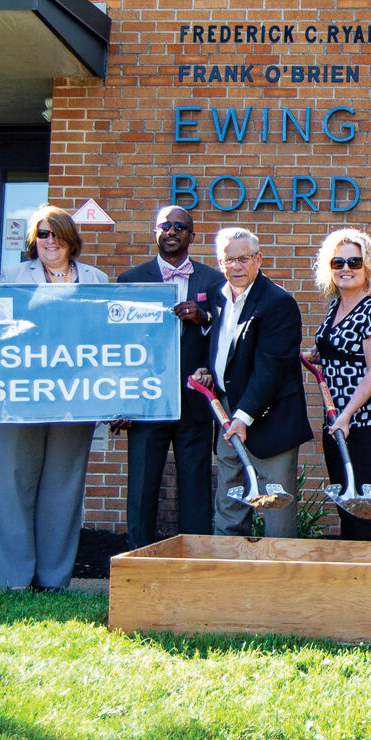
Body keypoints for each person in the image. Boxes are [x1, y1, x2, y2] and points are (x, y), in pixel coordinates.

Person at [0, 206, 109, 590]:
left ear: (71, 239)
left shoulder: (97, 278)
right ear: (32, 240)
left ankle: (54, 579)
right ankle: (12, 580)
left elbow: (107, 339)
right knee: (12, 483)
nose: (49, 241)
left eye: (56, 233)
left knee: (63, 487)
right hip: (18, 398)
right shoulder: (9, 276)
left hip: (76, 396)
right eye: (42, 234)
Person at [193, 227, 313, 539]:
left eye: (243, 258)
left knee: (276, 507)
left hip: (270, 416)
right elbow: (227, 350)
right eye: (228, 260)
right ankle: (229, 575)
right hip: (227, 409)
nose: (235, 266)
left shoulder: (277, 303)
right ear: (220, 263)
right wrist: (210, 371)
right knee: (230, 499)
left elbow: (271, 368)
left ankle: (281, 580)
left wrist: (243, 417)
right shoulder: (219, 297)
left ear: (258, 259)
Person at [114, 206, 222, 549]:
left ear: (192, 236)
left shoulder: (214, 280)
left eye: (180, 227)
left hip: (195, 399)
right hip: (146, 400)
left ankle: (195, 559)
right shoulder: (131, 280)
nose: (172, 231)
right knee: (143, 484)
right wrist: (123, 399)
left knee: (195, 483)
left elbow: (227, 335)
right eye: (165, 226)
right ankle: (140, 558)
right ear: (155, 232)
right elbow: (119, 345)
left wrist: (204, 318)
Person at [311, 228, 371, 541]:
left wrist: (347, 414)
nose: (345, 268)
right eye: (338, 262)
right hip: (338, 420)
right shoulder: (336, 306)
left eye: (354, 261)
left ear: (369, 267)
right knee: (346, 503)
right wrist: (315, 353)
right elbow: (342, 350)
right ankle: (354, 579)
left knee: (364, 502)